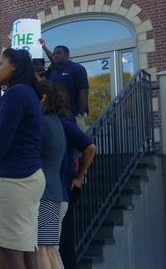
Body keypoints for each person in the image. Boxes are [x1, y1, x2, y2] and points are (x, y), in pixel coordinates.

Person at [0, 49, 45, 269]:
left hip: (13, 177)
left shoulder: (16, 94)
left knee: (4, 248)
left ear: (14, 65)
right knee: (25, 246)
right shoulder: (28, 93)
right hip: (28, 175)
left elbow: (2, 139)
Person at [56, 86, 97, 269]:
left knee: (63, 242)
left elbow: (90, 147)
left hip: (65, 187)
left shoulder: (64, 123)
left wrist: (80, 176)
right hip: (56, 188)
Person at [36, 81, 67, 269]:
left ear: (43, 97)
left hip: (43, 192)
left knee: (40, 248)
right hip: (55, 191)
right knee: (49, 248)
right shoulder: (57, 122)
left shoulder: (42, 122)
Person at [42, 40, 89, 129]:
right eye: (54, 54)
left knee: (79, 142)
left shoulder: (77, 68)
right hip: (57, 116)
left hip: (74, 115)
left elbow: (83, 91)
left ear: (67, 55)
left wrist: (80, 114)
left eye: (59, 53)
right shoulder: (53, 71)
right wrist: (44, 46)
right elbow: (52, 59)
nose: (56, 55)